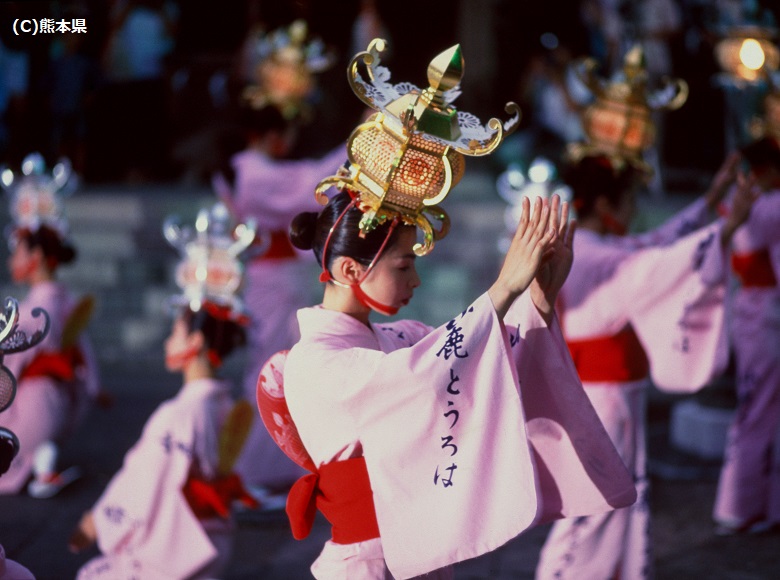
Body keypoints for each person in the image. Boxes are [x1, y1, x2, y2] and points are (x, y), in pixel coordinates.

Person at [255, 38, 639, 579]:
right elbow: (419, 375)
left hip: (417, 550)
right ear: (349, 271)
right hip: (368, 562)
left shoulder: (398, 337)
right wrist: (502, 287)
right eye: (403, 266)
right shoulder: (317, 363)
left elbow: (481, 359)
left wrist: (537, 299)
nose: (415, 278)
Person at [533, 151, 756, 579]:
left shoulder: (597, 248)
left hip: (613, 393)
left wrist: (711, 201)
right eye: (628, 200)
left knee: (622, 496)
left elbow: (655, 247)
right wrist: (725, 227)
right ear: (604, 205)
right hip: (601, 396)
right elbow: (658, 260)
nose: (634, 211)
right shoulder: (596, 256)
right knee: (598, 501)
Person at [68, 203, 258, 579]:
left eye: (176, 330)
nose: (169, 340)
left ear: (197, 340)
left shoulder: (177, 414)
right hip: (213, 541)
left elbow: (143, 481)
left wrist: (97, 521)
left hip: (177, 552)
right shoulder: (224, 403)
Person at [214, 21, 346, 496]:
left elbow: (308, 178)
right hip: (269, 277)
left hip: (276, 275)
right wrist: (360, 143)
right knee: (270, 370)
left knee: (284, 368)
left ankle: (269, 468)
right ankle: (247, 473)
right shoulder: (252, 173)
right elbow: (311, 183)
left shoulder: (248, 168)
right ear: (272, 131)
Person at [0, 154, 100, 498]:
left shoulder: (33, 311)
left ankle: (36, 454)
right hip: (58, 403)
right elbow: (85, 358)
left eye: (17, 250)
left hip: (31, 406)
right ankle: (43, 458)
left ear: (36, 258)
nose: (12, 258)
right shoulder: (62, 301)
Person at [713, 135, 780, 535]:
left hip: (756, 312)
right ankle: (740, 506)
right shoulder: (767, 205)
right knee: (757, 412)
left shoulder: (748, 204)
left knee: (760, 411)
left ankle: (757, 506)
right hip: (764, 315)